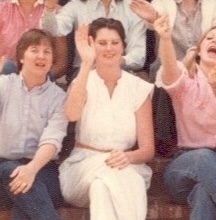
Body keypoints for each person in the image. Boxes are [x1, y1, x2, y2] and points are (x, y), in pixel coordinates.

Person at [153, 15, 216, 220]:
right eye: (209, 38)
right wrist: (165, 39)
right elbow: (170, 71)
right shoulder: (186, 82)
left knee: (204, 191)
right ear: (199, 51)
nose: (214, 42)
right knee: (203, 157)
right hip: (183, 166)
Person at [131, 0, 216, 155]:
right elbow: (156, 18)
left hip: (203, 68)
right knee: (161, 67)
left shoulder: (214, 6)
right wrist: (153, 17)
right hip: (172, 70)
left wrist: (194, 61)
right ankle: (163, 140)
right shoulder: (162, 3)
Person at [0, 30, 67, 220]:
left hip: (43, 170)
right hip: (1, 174)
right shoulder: (3, 85)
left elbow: (52, 140)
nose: (41, 56)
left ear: (52, 60)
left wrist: (31, 169)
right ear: (21, 56)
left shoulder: (58, 97)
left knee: (26, 200)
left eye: (47, 52)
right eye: (34, 50)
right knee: (14, 174)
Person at [59, 18, 154, 220]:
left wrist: (127, 157)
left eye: (115, 42)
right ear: (92, 45)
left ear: (123, 46)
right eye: (102, 43)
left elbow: (147, 150)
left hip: (125, 165)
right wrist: (86, 63)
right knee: (117, 177)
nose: (109, 48)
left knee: (102, 186)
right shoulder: (82, 81)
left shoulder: (138, 88)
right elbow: (71, 114)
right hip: (83, 166)